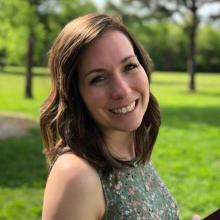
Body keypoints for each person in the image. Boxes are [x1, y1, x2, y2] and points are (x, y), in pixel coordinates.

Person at [40, 13, 200, 220]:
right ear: (75, 94)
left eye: (130, 66)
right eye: (98, 78)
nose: (122, 90)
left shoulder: (133, 153)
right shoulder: (75, 175)